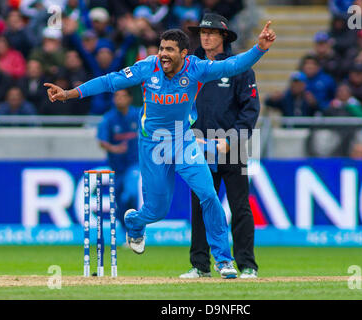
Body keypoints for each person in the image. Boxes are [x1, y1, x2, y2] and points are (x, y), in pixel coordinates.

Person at [44, 22, 276, 279]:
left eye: (170, 50)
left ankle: (223, 260)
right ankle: (134, 222)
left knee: (208, 195)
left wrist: (260, 49)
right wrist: (69, 94)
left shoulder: (197, 68)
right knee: (157, 210)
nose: (163, 54)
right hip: (153, 145)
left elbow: (232, 66)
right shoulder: (147, 66)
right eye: (161, 48)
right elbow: (110, 82)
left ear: (184, 54)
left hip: (184, 141)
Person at [178, 13, 259, 280]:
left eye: (212, 33)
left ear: (224, 37)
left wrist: (231, 139)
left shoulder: (239, 67)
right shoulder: (189, 67)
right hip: (198, 146)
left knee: (240, 206)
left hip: (232, 146)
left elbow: (250, 110)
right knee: (201, 205)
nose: (206, 37)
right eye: (203, 33)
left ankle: (247, 264)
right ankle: (200, 265)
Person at [97, 89, 141, 228]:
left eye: (123, 96)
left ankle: (135, 228)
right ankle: (127, 231)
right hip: (116, 166)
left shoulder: (138, 114)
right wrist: (115, 149)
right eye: (117, 96)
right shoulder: (108, 118)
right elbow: (102, 141)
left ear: (129, 99)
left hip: (134, 163)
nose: (119, 99)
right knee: (120, 200)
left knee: (131, 193)